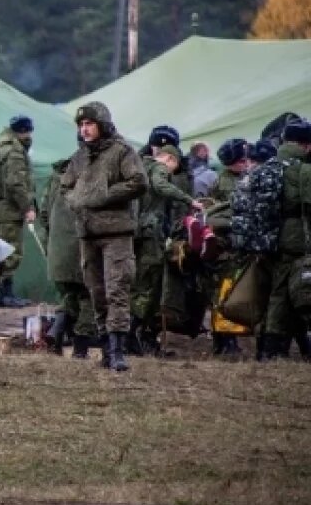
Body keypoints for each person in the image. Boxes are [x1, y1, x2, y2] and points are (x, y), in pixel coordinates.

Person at [62, 102, 148, 372]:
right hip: (88, 233)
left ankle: (118, 349)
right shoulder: (79, 157)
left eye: (90, 124)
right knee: (96, 291)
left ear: (102, 125)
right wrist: (76, 200)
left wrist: (103, 195)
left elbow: (138, 182)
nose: (85, 129)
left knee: (117, 290)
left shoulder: (122, 152)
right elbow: (66, 186)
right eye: (81, 125)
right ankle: (105, 348)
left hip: (116, 233)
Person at [130, 144, 199, 354]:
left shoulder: (138, 165)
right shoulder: (158, 168)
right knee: (149, 286)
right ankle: (131, 334)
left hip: (137, 233)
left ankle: (132, 336)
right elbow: (161, 185)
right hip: (151, 235)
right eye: (174, 166)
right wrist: (189, 200)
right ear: (168, 159)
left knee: (137, 284)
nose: (172, 171)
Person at [259, 119, 311, 360]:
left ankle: (271, 348)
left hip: (271, 238)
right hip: (298, 237)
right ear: (306, 145)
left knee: (278, 293)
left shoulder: (269, 165)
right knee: (302, 290)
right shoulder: (302, 169)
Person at [39, 154, 96, 356]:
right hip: (84, 245)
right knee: (91, 295)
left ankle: (57, 330)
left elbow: (44, 213)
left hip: (59, 248)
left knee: (71, 295)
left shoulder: (57, 175)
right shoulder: (95, 173)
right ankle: (80, 348)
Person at [0, 116, 36, 308]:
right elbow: (15, 183)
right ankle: (5, 294)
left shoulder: (0, 147)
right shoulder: (15, 152)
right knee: (10, 253)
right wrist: (27, 207)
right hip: (9, 210)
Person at [209, 139, 250, 204]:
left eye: (247, 158)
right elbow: (239, 203)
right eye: (242, 161)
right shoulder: (226, 181)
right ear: (229, 164)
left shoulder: (240, 172)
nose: (247, 163)